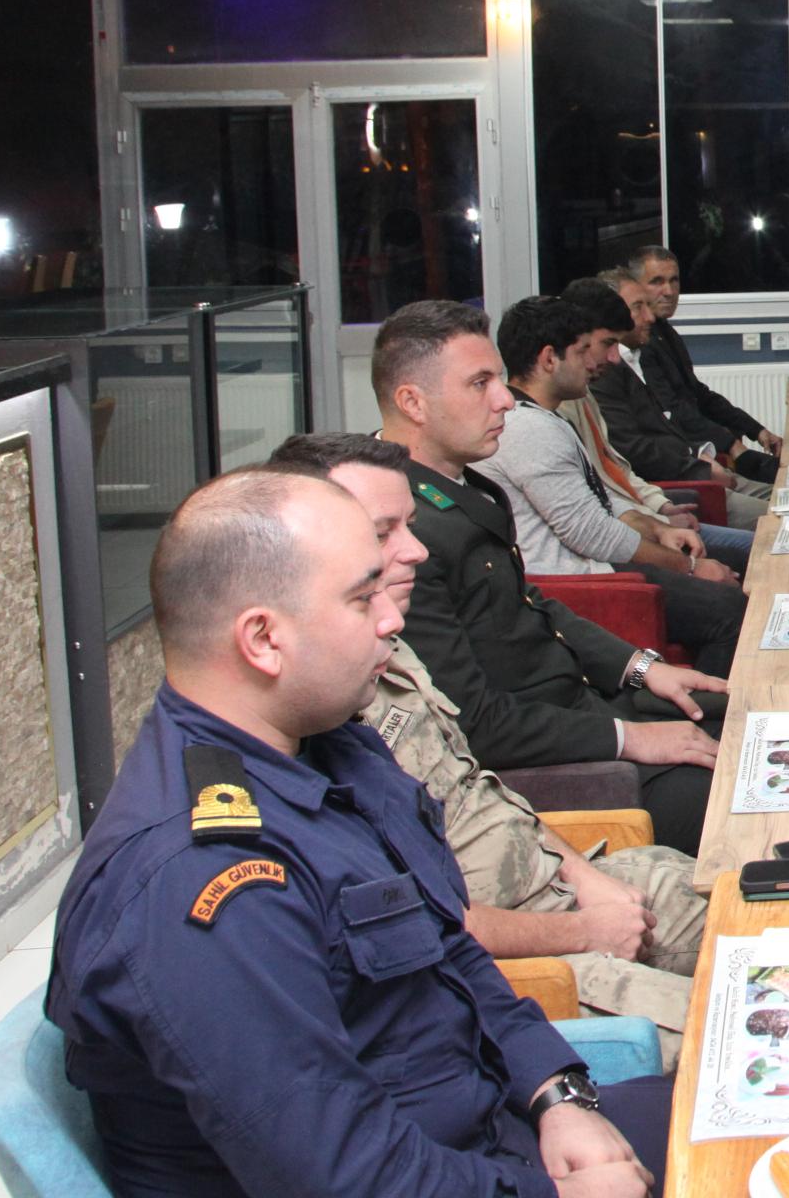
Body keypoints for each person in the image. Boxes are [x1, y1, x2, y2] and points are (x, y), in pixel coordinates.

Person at [48, 469, 671, 1196]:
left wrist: (557, 1095)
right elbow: (341, 1175)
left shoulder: (329, 747)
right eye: (360, 598)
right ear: (263, 639)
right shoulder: (203, 879)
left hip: (485, 1135)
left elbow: (449, 954)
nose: (391, 621)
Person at [271, 431, 707, 1055]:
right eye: (383, 533)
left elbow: (480, 787)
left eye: (409, 526)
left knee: (769, 915)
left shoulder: (388, 649)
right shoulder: (314, 709)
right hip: (522, 960)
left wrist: (584, 878)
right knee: (751, 1037)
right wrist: (585, 928)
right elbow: (427, 922)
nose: (417, 550)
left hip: (559, 887)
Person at [372, 299, 730, 856]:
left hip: (585, 705)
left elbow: (531, 605)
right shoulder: (397, 531)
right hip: (556, 757)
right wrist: (628, 737)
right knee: (741, 792)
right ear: (412, 402)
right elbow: (471, 721)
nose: (503, 400)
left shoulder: (465, 488)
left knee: (751, 715)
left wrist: (642, 669)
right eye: (480, 383)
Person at [482, 295, 747, 668]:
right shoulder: (529, 430)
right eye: (582, 352)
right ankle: (710, 703)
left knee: (729, 588)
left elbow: (600, 498)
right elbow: (593, 534)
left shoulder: (546, 419)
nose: (593, 363)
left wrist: (657, 529)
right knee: (730, 610)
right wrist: (688, 568)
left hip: (597, 570)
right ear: (548, 359)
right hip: (581, 588)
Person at [588, 272, 772, 536]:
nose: (650, 317)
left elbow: (674, 417)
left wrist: (700, 453)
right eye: (638, 307)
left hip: (695, 471)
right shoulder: (604, 374)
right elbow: (633, 451)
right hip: (680, 487)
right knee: (781, 517)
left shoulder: (643, 351)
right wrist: (699, 465)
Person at [623, 245, 784, 467]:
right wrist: (730, 443)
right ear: (635, 287)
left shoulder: (665, 332)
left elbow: (698, 394)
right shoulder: (639, 345)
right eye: (657, 282)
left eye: (674, 280)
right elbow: (673, 411)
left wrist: (756, 429)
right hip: (687, 456)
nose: (669, 291)